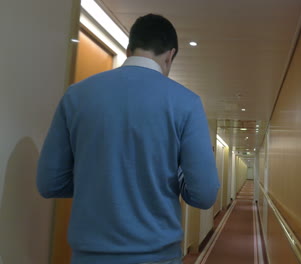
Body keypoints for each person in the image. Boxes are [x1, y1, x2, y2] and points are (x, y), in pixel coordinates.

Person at [36, 14, 220, 264]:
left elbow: (50, 183)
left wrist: (98, 182)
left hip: (88, 256)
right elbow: (204, 194)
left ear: (128, 49)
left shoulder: (76, 96)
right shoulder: (186, 103)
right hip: (158, 256)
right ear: (170, 55)